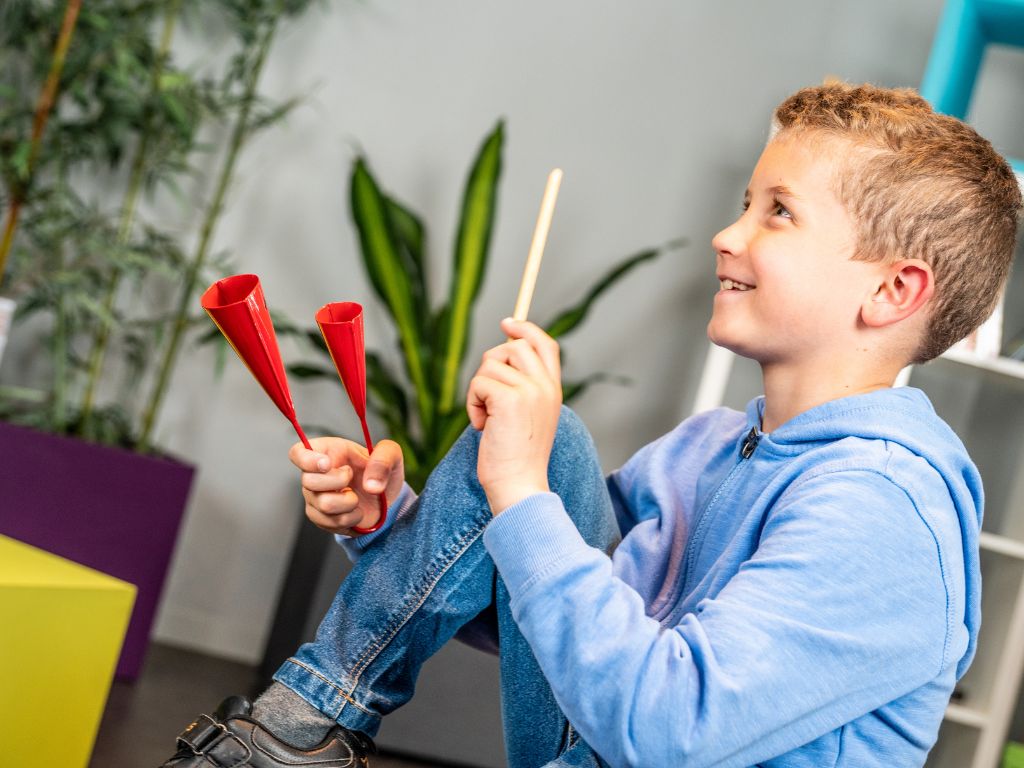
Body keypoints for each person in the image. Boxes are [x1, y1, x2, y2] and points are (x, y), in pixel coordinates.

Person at [160, 81, 1022, 768]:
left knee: (534, 461)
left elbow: (670, 730)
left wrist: (521, 492)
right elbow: (549, 613)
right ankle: (295, 733)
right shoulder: (708, 446)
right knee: (546, 431)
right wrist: (398, 522)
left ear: (892, 291)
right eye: (744, 202)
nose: (726, 234)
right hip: (591, 744)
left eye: (779, 212)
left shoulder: (884, 515)